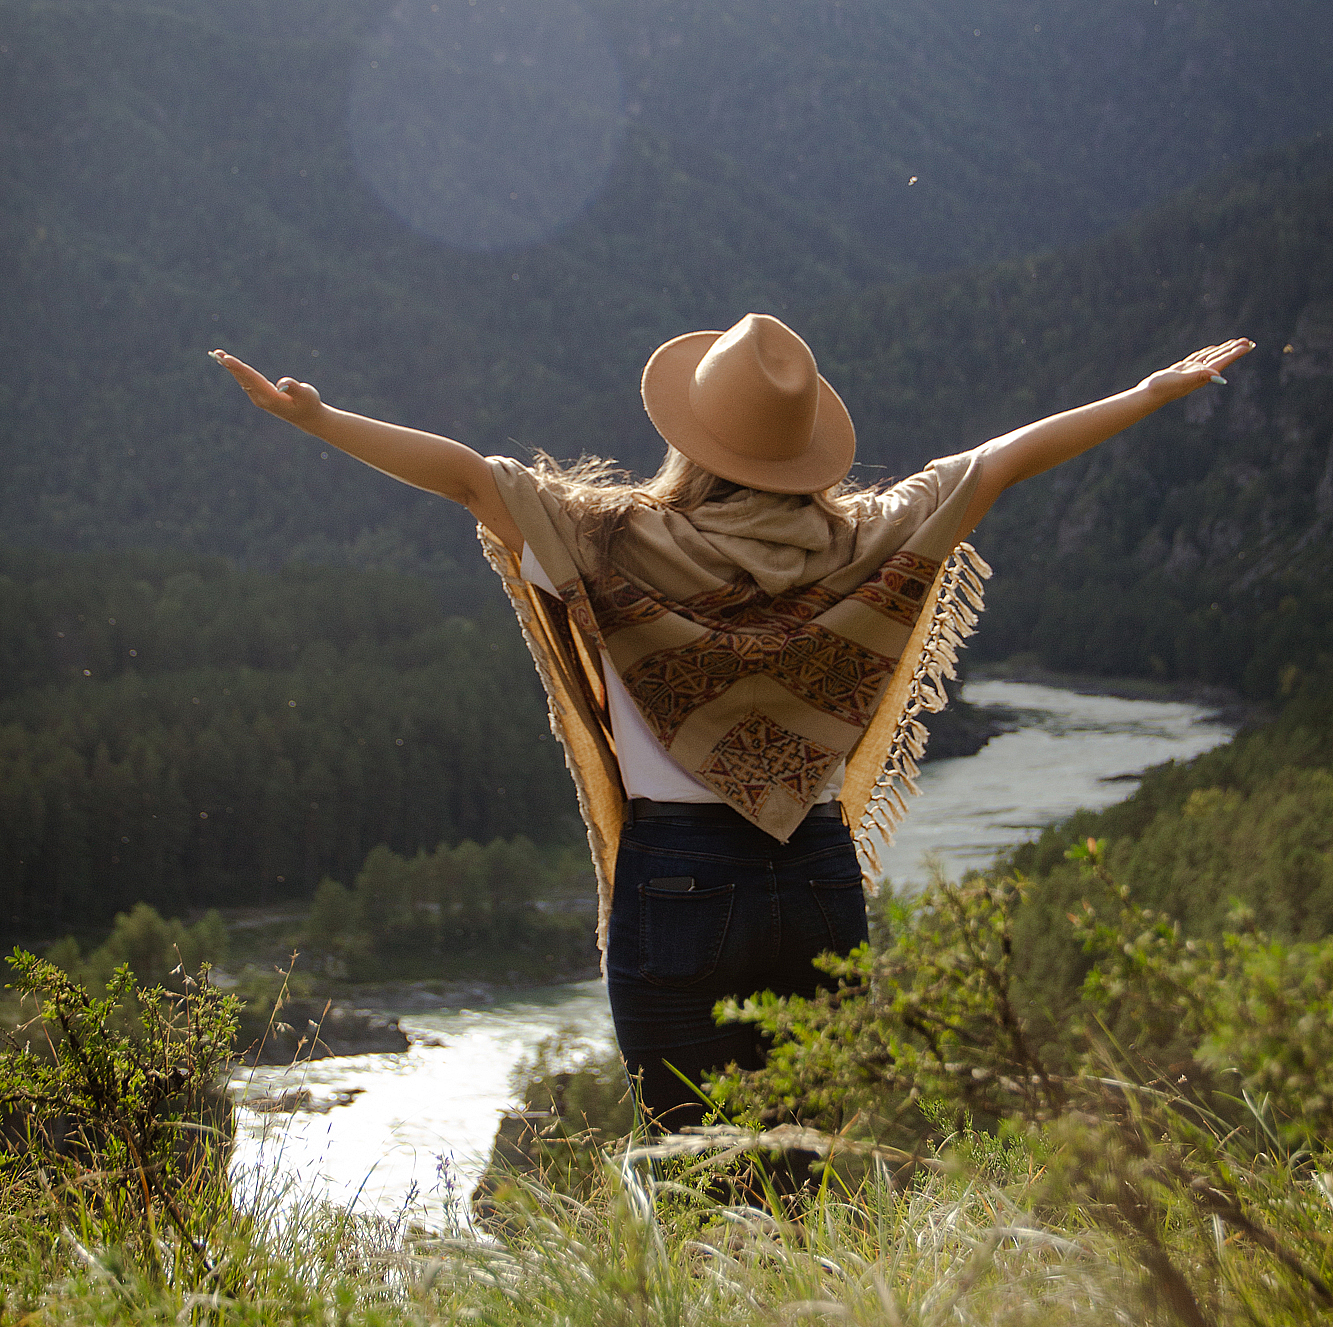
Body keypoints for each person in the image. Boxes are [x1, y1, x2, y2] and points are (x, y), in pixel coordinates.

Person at [214, 315, 1253, 1129]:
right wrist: (1147, 392)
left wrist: (321, 419)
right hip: (815, 873)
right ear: (802, 449)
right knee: (808, 1156)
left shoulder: (608, 538)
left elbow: (466, 475)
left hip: (674, 882)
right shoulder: (871, 540)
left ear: (687, 437)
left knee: (689, 1155)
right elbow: (1004, 459)